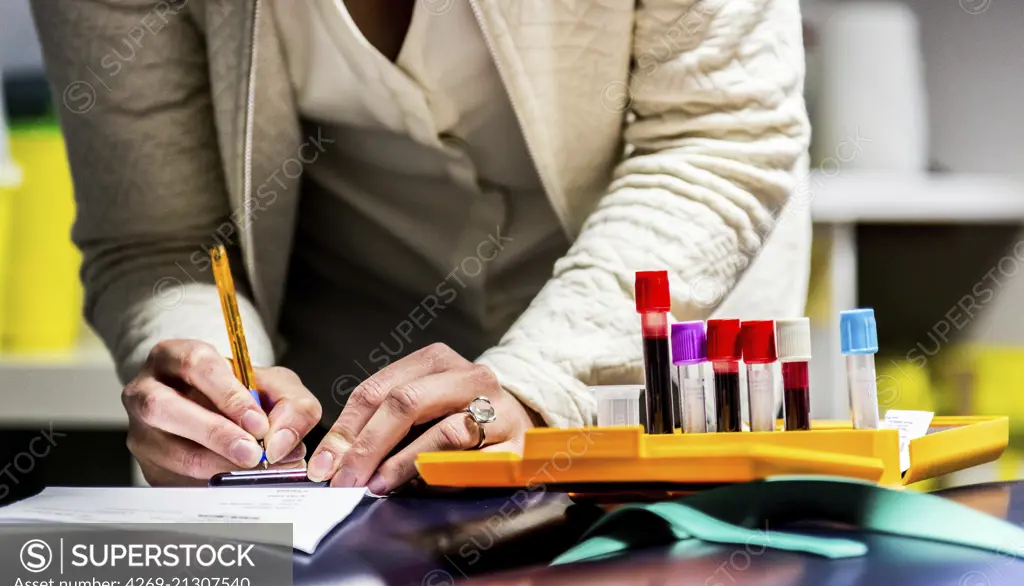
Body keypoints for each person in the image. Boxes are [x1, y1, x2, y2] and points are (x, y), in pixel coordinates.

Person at [32, 0, 811, 491]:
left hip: (653, 376)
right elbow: (163, 238)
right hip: (351, 427)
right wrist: (211, 392)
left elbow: (719, 136)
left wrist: (534, 380)